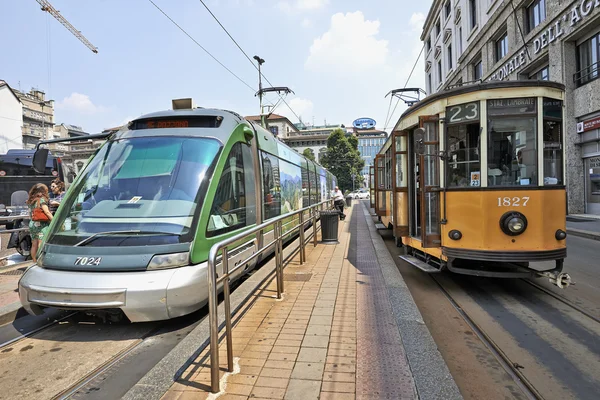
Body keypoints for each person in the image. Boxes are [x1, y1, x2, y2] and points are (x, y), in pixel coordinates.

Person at [26, 183, 53, 262]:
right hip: (42, 224)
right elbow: (47, 212)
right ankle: (41, 260)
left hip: (32, 223)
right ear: (43, 191)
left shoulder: (30, 201)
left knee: (34, 244)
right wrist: (54, 221)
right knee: (41, 243)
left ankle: (34, 261)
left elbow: (30, 214)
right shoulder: (41, 200)